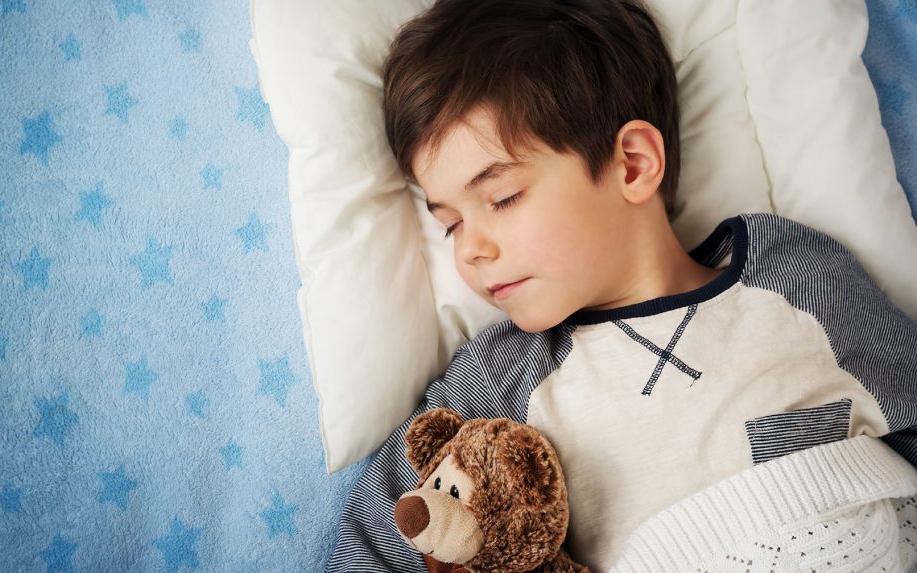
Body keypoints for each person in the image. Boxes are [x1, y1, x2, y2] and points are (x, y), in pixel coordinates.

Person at [327, 0, 917, 570]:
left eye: (501, 198)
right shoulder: (504, 378)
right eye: (450, 225)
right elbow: (382, 537)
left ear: (632, 164)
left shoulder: (793, 274)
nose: (471, 249)